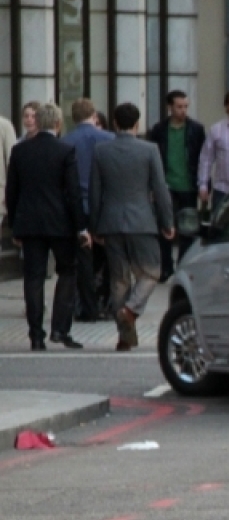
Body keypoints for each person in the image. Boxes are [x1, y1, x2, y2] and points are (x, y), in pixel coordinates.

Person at [90, 102, 174, 352]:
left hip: (111, 221)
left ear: (115, 122)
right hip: (142, 221)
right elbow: (160, 189)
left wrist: (94, 226)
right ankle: (130, 310)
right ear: (137, 123)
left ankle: (124, 336)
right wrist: (167, 221)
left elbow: (96, 192)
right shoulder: (149, 150)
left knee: (118, 279)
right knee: (151, 272)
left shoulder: (101, 150)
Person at [6, 103, 89, 351]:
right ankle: (60, 329)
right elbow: (73, 193)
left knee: (33, 278)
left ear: (38, 122)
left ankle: (36, 335)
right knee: (67, 272)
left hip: (30, 223)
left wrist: (15, 225)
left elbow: (12, 192)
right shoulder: (65, 150)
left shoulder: (20, 151)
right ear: (58, 124)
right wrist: (81, 228)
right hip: (60, 223)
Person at [62, 98, 114, 322]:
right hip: (103, 205)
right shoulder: (109, 139)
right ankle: (108, 302)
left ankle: (85, 305)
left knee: (82, 259)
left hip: (74, 206)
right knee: (109, 257)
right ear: (94, 115)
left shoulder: (65, 142)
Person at [146, 89, 206, 280]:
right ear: (170, 107)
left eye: (185, 107)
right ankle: (165, 266)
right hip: (166, 185)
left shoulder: (196, 129)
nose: (183, 111)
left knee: (188, 228)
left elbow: (203, 158)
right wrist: (152, 187)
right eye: (179, 107)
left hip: (188, 184)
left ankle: (184, 265)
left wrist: (204, 184)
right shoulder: (159, 130)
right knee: (165, 227)